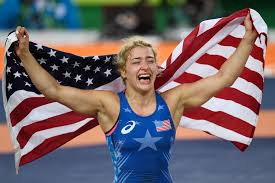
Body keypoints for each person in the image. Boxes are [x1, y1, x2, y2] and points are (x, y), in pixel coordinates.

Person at [15, 13, 257, 183]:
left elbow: (223, 78)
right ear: (124, 72)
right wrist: (25, 55)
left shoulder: (173, 101)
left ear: (157, 69)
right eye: (137, 61)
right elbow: (53, 90)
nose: (145, 66)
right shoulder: (108, 104)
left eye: (150, 60)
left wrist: (247, 39)